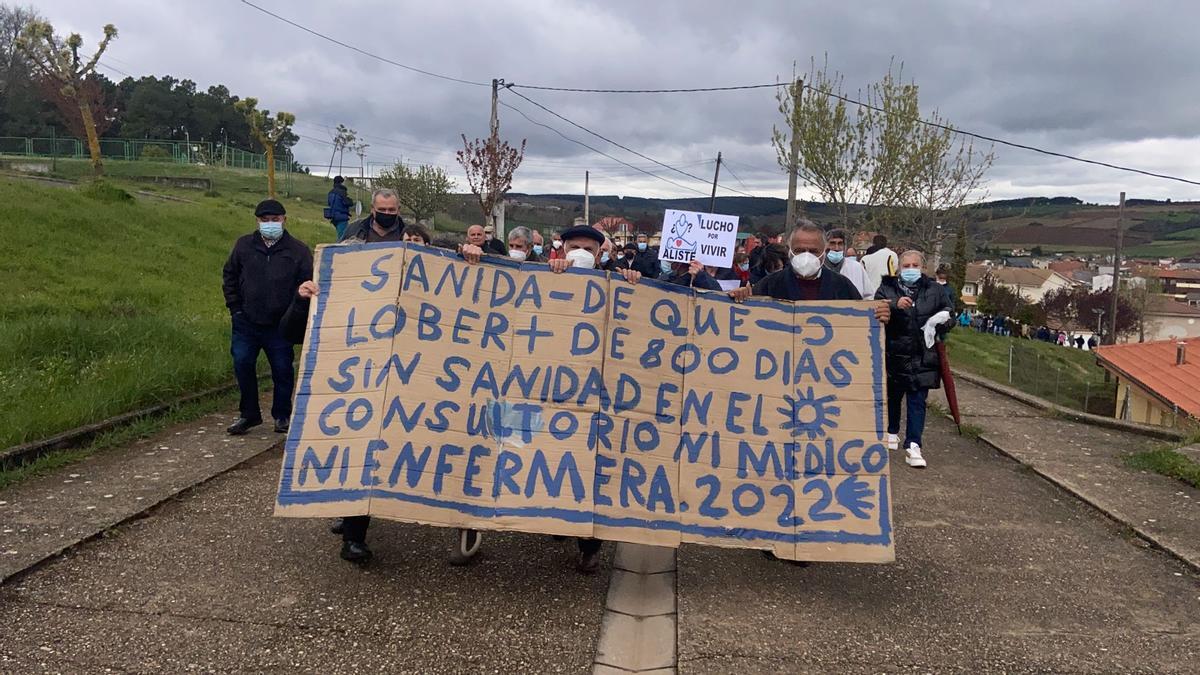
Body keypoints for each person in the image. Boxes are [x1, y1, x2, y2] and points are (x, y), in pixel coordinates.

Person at [460, 225, 644, 574]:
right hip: (542, 389)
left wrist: (633, 278)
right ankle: (552, 521)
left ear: (601, 253)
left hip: (592, 394)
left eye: (589, 249)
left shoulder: (617, 281)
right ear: (562, 248)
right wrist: (471, 254)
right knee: (545, 459)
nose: (582, 254)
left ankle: (589, 546)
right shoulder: (539, 275)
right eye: (576, 247)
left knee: (589, 470)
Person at [221, 199, 313, 436]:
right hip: (246, 322)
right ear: (257, 221)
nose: (270, 224)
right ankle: (248, 414)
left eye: (275, 219)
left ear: (284, 220)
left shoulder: (299, 251)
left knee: (283, 369)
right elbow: (229, 276)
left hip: (281, 324)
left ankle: (282, 415)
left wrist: (295, 313)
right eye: (265, 220)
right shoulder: (243, 246)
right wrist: (235, 309)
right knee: (242, 364)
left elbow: (307, 285)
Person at [873, 250, 953, 469]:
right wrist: (893, 305)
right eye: (906, 265)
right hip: (893, 353)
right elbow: (875, 310)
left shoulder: (935, 290)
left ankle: (914, 444)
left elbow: (949, 314)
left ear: (923, 267)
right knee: (893, 396)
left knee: (917, 401)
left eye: (915, 265)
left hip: (923, 355)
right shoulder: (887, 288)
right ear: (898, 268)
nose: (910, 269)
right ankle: (891, 431)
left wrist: (939, 320)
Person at [340, 188, 405, 243]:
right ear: (372, 209)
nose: (386, 213)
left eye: (391, 210)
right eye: (382, 209)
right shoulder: (354, 229)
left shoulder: (408, 232)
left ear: (398, 210)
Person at [824, 228, 874, 298]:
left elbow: (869, 296)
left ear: (845, 246)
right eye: (832, 243)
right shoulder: (818, 268)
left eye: (840, 244)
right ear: (825, 245)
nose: (836, 248)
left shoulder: (857, 268)